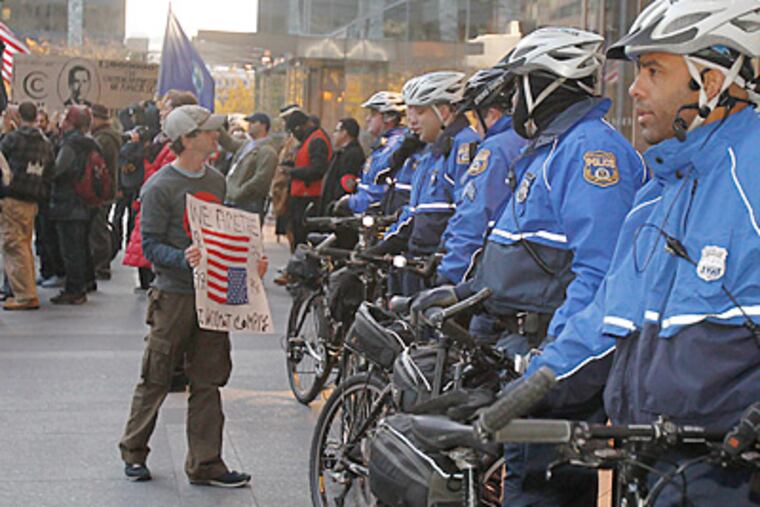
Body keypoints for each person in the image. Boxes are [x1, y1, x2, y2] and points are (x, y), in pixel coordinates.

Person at [522, 3, 760, 505]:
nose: (633, 88)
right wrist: (513, 397)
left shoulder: (752, 176)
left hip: (733, 478)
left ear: (712, 83)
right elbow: (605, 323)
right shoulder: (658, 190)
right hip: (654, 469)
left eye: (653, 70)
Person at [411, 28, 647, 506]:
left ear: (544, 85)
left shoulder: (589, 154)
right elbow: (516, 251)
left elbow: (600, 275)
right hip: (513, 345)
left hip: (548, 360)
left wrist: (548, 364)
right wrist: (465, 297)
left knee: (535, 491)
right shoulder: (548, 150)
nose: (510, 100)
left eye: (518, 85)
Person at [118, 105, 251, 487]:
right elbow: (150, 245)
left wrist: (242, 276)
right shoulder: (159, 186)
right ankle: (134, 451)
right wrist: (183, 258)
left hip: (211, 296)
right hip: (174, 295)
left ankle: (206, 463)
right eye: (208, 132)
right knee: (156, 376)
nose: (215, 137)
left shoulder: (216, 179)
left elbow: (225, 236)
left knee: (209, 378)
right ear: (187, 139)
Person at [368, 71, 481, 295]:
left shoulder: (465, 147)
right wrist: (383, 245)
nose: (411, 120)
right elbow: (414, 212)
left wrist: (448, 270)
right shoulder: (430, 152)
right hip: (416, 263)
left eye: (419, 111)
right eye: (409, 111)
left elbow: (470, 217)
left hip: (441, 267)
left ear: (445, 111)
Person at [435, 65, 527, 286]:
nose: (475, 128)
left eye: (476, 119)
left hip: (492, 270)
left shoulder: (495, 149)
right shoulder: (531, 140)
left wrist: (450, 273)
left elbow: (475, 214)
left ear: (492, 115)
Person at [123, 90, 198, 292]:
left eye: (167, 109)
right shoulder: (162, 142)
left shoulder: (207, 176)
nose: (162, 113)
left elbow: (161, 179)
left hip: (173, 224)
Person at [0, 102, 55, 310]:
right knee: (24, 244)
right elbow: (51, 171)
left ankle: (24, 294)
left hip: (12, 197)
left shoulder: (12, 140)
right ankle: (26, 288)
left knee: (13, 245)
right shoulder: (45, 142)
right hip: (32, 199)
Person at [48, 105, 100, 304]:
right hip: (87, 200)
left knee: (71, 248)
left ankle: (75, 289)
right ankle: (86, 281)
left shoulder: (71, 144)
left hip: (69, 201)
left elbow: (59, 170)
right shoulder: (91, 143)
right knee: (81, 245)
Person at [334, 91, 406, 214]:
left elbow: (377, 190)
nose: (367, 119)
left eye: (373, 114)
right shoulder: (385, 144)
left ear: (388, 117)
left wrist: (351, 202)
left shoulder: (395, 146)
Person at [283, 110, 332, 247]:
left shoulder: (317, 140)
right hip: (301, 195)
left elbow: (318, 169)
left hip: (309, 197)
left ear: (303, 126)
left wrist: (293, 172)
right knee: (297, 235)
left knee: (303, 237)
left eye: (295, 130)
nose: (295, 135)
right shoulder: (310, 139)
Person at [219, 112, 278, 226]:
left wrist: (239, 192)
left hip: (249, 204)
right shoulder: (246, 144)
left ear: (263, 126)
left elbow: (261, 180)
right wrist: (217, 125)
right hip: (233, 201)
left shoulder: (267, 151)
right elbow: (228, 142)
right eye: (249, 122)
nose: (249, 125)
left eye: (253, 122)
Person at [89, 104, 122, 280]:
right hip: (106, 188)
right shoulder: (105, 136)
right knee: (98, 227)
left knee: (98, 228)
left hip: (102, 189)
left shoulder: (104, 139)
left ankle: (102, 266)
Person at [319, 117, 365, 216]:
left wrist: (337, 205)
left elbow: (347, 184)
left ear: (345, 133)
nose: (333, 135)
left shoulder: (353, 155)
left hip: (340, 210)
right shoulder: (340, 153)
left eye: (336, 131)